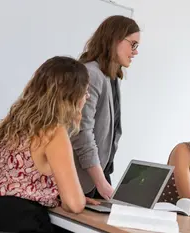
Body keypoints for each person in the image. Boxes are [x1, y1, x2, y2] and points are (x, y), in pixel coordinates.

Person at [0, 56, 99, 232]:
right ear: (70, 95)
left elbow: (19, 183)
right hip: (23, 222)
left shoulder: (14, 124)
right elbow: (75, 205)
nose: (87, 96)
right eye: (85, 91)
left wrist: (57, 196)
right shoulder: (54, 131)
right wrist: (78, 199)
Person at [71, 15, 140, 200]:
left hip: (98, 175)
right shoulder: (91, 73)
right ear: (115, 39)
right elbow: (81, 132)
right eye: (132, 44)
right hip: (82, 179)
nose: (135, 52)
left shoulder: (111, 76)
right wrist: (102, 183)